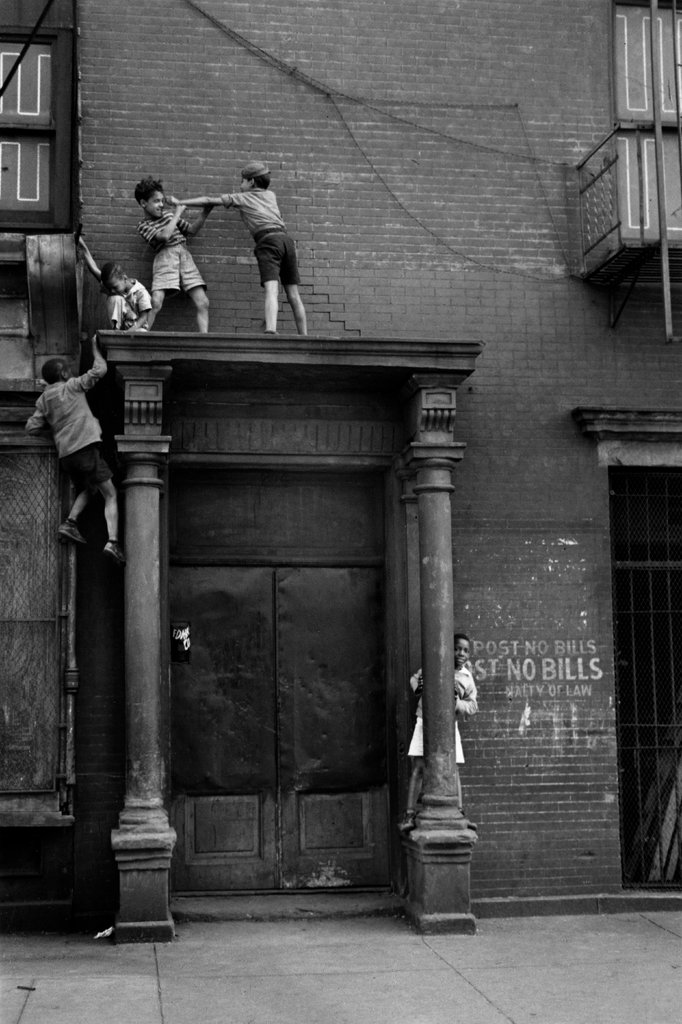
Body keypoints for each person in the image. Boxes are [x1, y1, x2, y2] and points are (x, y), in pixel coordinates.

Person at [25, 337, 126, 566]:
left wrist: (58, 432)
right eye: (67, 371)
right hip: (85, 448)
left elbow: (31, 427)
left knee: (89, 489)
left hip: (68, 456)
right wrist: (94, 348)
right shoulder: (72, 386)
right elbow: (100, 369)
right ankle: (112, 542)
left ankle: (70, 522)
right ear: (62, 374)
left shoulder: (44, 399)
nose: (70, 373)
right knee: (110, 493)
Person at [176, 160, 307, 336]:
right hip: (286, 241)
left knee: (271, 289)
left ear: (251, 181)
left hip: (268, 242)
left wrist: (180, 202)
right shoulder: (271, 196)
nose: (240, 185)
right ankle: (304, 336)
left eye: (242, 181)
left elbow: (208, 201)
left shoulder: (242, 197)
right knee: (293, 294)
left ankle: (271, 330)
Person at [398, 632, 478, 834]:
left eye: (466, 651)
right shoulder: (433, 666)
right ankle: (409, 814)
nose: (461, 653)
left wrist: (457, 703)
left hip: (449, 726)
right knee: (418, 767)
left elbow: (473, 706)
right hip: (425, 721)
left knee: (454, 770)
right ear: (449, 649)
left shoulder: (467, 678)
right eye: (457, 648)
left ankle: (459, 812)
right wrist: (419, 687)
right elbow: (414, 679)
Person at [134, 176, 212, 332]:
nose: (161, 205)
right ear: (143, 203)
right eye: (156, 201)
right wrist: (177, 213)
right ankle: (142, 334)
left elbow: (191, 230)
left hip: (184, 255)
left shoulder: (169, 216)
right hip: (165, 257)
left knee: (203, 302)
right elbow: (164, 237)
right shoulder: (143, 225)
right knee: (156, 302)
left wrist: (205, 212)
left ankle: (205, 340)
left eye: (162, 201)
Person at [78, 237, 152, 332]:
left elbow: (143, 318)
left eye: (114, 287)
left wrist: (128, 333)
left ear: (124, 278)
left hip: (137, 330)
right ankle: (115, 332)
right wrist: (82, 244)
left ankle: (118, 336)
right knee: (95, 340)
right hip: (122, 330)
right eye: (110, 288)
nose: (111, 290)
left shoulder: (141, 292)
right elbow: (93, 268)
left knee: (115, 298)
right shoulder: (113, 283)